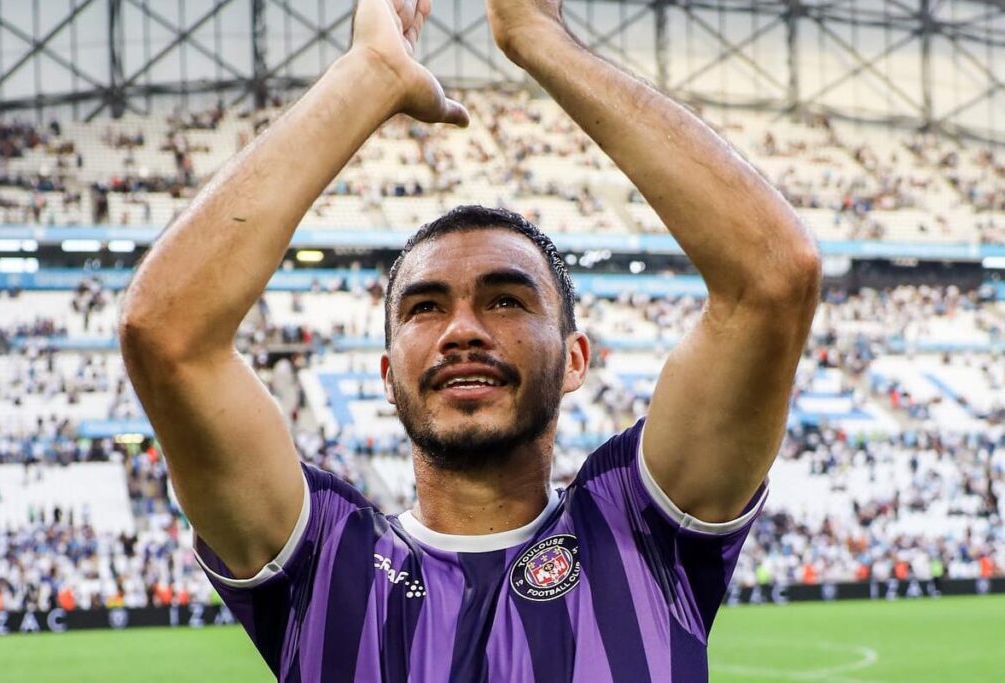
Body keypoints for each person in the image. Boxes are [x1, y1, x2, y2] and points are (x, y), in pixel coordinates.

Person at [118, 0, 820, 680]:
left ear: (576, 358)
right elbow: (166, 331)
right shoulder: (324, 560)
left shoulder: (638, 525)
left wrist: (538, 39)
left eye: (506, 299)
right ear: (389, 374)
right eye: (426, 307)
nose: (462, 330)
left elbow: (772, 275)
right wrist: (366, 73)